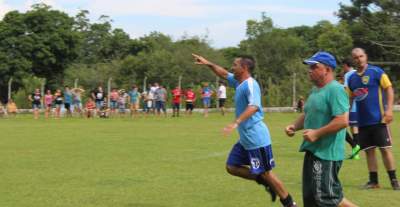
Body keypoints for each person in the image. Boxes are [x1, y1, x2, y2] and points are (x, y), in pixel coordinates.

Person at [192, 53, 297, 207]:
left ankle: (289, 203)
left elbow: (254, 106)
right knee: (232, 167)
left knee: (267, 173)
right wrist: (207, 63)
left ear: (244, 68)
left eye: (235, 64)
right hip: (245, 139)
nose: (232, 67)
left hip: (256, 138)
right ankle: (264, 181)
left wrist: (236, 122)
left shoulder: (250, 84)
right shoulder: (238, 82)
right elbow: (222, 73)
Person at [285, 51, 357, 207]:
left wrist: (316, 133)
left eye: (314, 67)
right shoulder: (315, 90)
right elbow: (308, 114)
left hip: (327, 155)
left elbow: (342, 121)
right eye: (309, 67)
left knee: (327, 198)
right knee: (312, 199)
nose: (310, 70)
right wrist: (294, 126)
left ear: (328, 70)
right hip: (313, 152)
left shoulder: (335, 89)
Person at [347, 48, 399, 190]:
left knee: (385, 150)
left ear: (366, 56)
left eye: (361, 56)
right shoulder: (352, 78)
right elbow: (350, 98)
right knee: (369, 151)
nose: (359, 59)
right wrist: (348, 116)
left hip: (379, 120)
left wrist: (388, 110)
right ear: (353, 60)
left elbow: (389, 88)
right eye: (356, 57)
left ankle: (394, 180)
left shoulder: (377, 72)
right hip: (363, 122)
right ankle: (373, 181)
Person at [342, 58, 361, 160]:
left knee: (341, 127)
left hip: (350, 106)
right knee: (354, 128)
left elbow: (346, 92)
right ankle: (356, 154)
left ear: (346, 65)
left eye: (343, 66)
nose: (343, 68)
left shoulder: (348, 75)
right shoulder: (359, 73)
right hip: (360, 107)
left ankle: (354, 145)